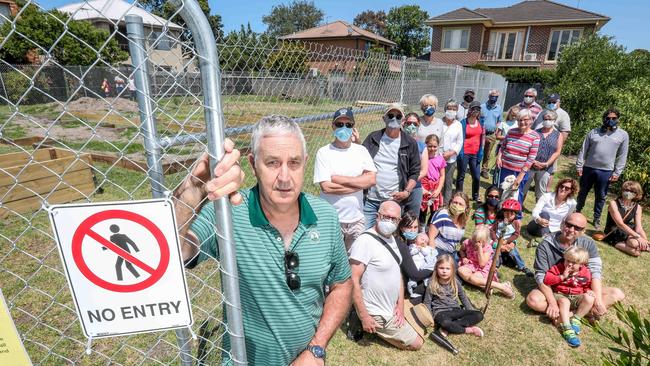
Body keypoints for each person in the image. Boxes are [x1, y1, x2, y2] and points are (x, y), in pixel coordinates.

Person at [175, 115, 352, 365]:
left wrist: (316, 349)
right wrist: (192, 193)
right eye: (272, 163)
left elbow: (342, 284)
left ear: (305, 163)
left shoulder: (325, 216)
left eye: (294, 163)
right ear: (253, 164)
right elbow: (175, 250)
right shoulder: (229, 213)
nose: (284, 177)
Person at [349, 201, 424, 350]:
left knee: (422, 326)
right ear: (377, 216)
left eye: (394, 219)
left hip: (392, 307)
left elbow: (398, 275)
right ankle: (367, 324)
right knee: (417, 343)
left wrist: (400, 305)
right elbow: (353, 280)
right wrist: (364, 316)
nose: (389, 221)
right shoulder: (365, 241)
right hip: (376, 311)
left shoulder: (393, 240)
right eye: (386, 217)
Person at [527, 213, 625, 324]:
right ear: (562, 224)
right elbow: (541, 277)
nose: (571, 230)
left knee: (617, 294)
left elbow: (595, 272)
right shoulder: (545, 245)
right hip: (556, 289)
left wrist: (597, 300)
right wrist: (552, 303)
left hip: (579, 290)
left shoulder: (588, 244)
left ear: (583, 231)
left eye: (577, 228)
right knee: (533, 300)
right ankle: (584, 312)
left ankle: (569, 314)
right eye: (569, 225)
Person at [314, 108, 377, 250]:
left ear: (353, 128)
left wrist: (338, 179)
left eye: (348, 125)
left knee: (355, 260)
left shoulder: (361, 151)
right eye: (339, 124)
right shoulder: (324, 152)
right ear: (333, 127)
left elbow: (372, 179)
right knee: (332, 261)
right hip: (332, 220)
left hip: (357, 219)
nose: (344, 128)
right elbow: (326, 187)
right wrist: (359, 183)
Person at [362, 103, 421, 228]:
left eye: (398, 116)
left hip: (393, 201)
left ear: (403, 120)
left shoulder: (410, 143)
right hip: (371, 199)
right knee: (364, 233)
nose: (394, 119)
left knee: (388, 235)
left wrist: (406, 191)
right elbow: (360, 160)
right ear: (384, 118)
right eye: (390, 115)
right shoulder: (373, 138)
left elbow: (414, 171)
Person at [576, 108, 630, 230]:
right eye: (608, 118)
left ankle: (596, 218)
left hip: (606, 171)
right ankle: (577, 211)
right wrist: (579, 165)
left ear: (617, 119)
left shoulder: (623, 135)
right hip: (589, 168)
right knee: (582, 192)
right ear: (604, 119)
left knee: (601, 195)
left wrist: (617, 172)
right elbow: (583, 149)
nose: (610, 120)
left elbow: (623, 155)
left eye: (614, 118)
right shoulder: (593, 132)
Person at [424, 255, 484, 355]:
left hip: (455, 310)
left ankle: (448, 329)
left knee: (479, 315)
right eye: (441, 268)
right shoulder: (432, 283)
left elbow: (463, 297)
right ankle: (467, 330)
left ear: (452, 270)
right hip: (441, 313)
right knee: (445, 322)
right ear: (436, 269)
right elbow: (427, 302)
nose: (444, 271)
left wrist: (470, 310)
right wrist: (430, 319)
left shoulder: (455, 282)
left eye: (448, 268)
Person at [543, 246, 595, 348]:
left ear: (581, 264)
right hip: (560, 294)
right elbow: (547, 280)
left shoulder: (586, 272)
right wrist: (562, 277)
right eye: (567, 260)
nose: (569, 264)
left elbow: (586, 285)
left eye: (574, 263)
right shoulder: (558, 268)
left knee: (590, 298)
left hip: (576, 295)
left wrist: (589, 291)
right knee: (564, 301)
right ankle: (567, 329)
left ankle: (576, 319)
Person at [495, 108, 540, 210]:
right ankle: (501, 212)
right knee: (503, 191)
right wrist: (499, 157)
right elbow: (503, 146)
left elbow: (531, 158)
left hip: (520, 171)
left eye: (525, 119)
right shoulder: (511, 132)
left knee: (516, 194)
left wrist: (521, 175)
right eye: (520, 120)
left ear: (531, 120)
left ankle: (515, 216)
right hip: (505, 168)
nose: (522, 122)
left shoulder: (535, 136)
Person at [458, 226, 515, 298]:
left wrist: (479, 249)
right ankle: (485, 287)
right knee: (460, 270)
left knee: (473, 278)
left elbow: (482, 264)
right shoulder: (467, 242)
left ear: (485, 241)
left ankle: (502, 287)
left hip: (483, 269)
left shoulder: (487, 248)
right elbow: (462, 250)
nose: (475, 243)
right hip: (471, 264)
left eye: (478, 241)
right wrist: (463, 257)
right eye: (474, 240)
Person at [521, 110, 564, 203]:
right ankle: (518, 208)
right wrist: (533, 161)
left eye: (549, 119)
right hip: (530, 166)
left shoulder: (558, 135)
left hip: (545, 168)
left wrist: (546, 164)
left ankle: (539, 212)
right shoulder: (535, 132)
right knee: (523, 188)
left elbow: (557, 151)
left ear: (554, 120)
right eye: (545, 119)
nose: (547, 121)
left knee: (541, 192)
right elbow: (528, 147)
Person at [396, 212, 435, 303]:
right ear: (401, 228)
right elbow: (415, 274)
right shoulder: (401, 245)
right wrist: (434, 269)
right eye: (409, 227)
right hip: (402, 285)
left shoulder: (411, 242)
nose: (413, 231)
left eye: (415, 227)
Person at [603, 180, 649, 256]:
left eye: (632, 191)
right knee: (636, 252)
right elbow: (620, 224)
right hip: (614, 231)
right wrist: (638, 237)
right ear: (622, 190)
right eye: (626, 190)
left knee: (635, 243)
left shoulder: (637, 207)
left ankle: (633, 244)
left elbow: (639, 228)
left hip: (627, 231)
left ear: (636, 194)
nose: (628, 192)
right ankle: (616, 243)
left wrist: (645, 241)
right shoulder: (613, 203)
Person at [490, 199, 534, 277]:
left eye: (512, 214)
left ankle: (522, 267)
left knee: (514, 253)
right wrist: (495, 240)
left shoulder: (516, 223)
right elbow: (492, 231)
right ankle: (495, 268)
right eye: (506, 213)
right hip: (497, 240)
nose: (509, 216)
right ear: (503, 212)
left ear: (515, 214)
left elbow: (516, 234)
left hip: (507, 242)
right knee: (495, 253)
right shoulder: (498, 221)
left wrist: (507, 241)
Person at [527, 178, 578, 243]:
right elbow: (535, 211)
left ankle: (544, 239)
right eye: (562, 186)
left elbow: (566, 219)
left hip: (554, 229)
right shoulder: (547, 196)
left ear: (571, 191)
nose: (563, 189)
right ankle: (545, 240)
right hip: (536, 226)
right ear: (558, 186)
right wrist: (538, 219)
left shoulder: (572, 203)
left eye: (567, 188)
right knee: (545, 214)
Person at [428, 191, 470, 262]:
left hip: (451, 252)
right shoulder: (443, 214)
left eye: (460, 204)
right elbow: (430, 237)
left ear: (465, 208)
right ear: (451, 202)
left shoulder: (463, 221)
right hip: (438, 250)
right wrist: (432, 257)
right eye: (455, 202)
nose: (457, 205)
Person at [456, 100, 485, 202]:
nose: (476, 111)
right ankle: (459, 195)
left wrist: (481, 151)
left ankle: (475, 195)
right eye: (474, 108)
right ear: (470, 109)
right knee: (461, 176)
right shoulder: (463, 123)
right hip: (464, 153)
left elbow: (482, 137)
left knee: (476, 176)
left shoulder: (481, 122)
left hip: (475, 153)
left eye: (478, 109)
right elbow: (459, 137)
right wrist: (459, 151)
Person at [402, 112, 428, 219]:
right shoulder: (397, 142)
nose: (412, 126)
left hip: (415, 187)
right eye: (409, 123)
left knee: (412, 218)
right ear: (403, 124)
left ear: (418, 126)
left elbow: (424, 170)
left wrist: (411, 181)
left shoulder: (422, 147)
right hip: (399, 186)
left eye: (415, 124)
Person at [419, 134, 446, 227]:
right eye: (429, 146)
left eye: (435, 146)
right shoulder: (422, 158)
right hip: (424, 186)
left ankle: (429, 227)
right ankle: (421, 228)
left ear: (438, 146)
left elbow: (442, 175)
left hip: (435, 187)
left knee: (434, 210)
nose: (432, 149)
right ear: (425, 145)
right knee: (422, 209)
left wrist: (438, 189)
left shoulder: (440, 159)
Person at [440, 100, 463, 204]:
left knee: (448, 182)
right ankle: (436, 201)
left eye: (454, 109)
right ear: (445, 110)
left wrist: (451, 153)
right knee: (438, 181)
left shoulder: (458, 125)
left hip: (451, 158)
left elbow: (460, 142)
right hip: (438, 157)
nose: (452, 111)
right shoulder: (439, 122)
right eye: (449, 108)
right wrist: (441, 154)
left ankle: (445, 203)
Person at [407, 233, 438, 300]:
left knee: (425, 276)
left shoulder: (426, 248)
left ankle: (424, 282)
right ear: (416, 240)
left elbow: (427, 254)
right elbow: (411, 253)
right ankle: (411, 287)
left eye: (426, 241)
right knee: (412, 278)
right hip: (414, 263)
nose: (423, 241)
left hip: (422, 265)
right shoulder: (412, 246)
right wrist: (417, 249)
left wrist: (422, 249)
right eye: (422, 239)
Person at [480, 89, 502, 179]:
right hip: (481, 134)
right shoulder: (482, 106)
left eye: (496, 96)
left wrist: (496, 129)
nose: (494, 98)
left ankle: (484, 169)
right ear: (489, 96)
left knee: (487, 153)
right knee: (479, 151)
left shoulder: (499, 108)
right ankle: (475, 166)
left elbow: (499, 121)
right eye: (492, 96)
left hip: (491, 134)